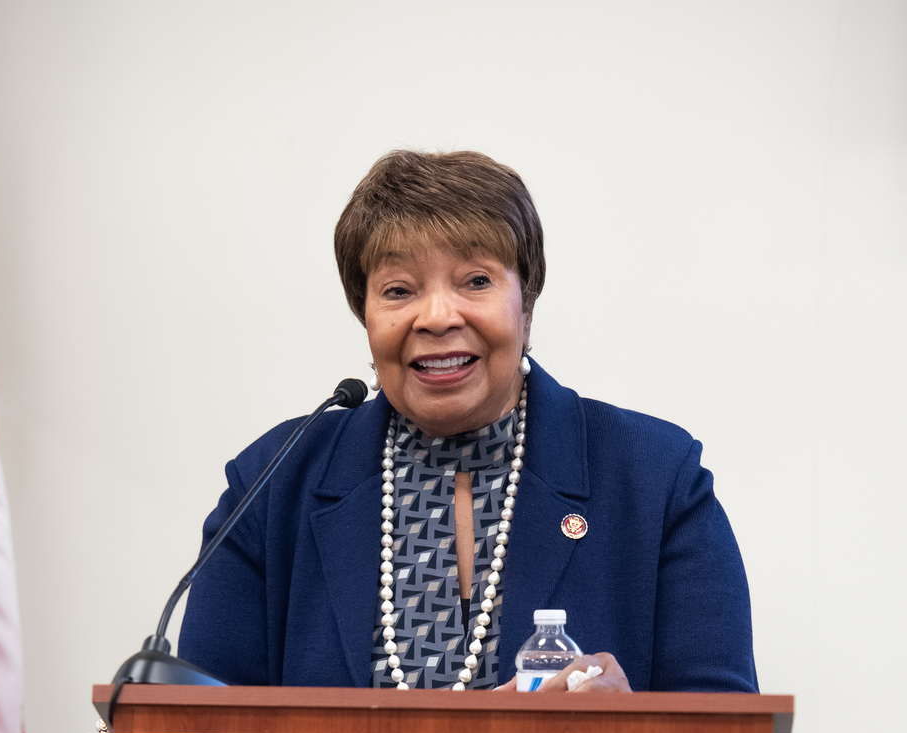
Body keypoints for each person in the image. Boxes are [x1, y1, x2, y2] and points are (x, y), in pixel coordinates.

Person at [178, 149, 757, 695]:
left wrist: (629, 732)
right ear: (367, 318)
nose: (435, 317)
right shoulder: (272, 485)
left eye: (476, 281)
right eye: (398, 290)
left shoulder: (657, 479)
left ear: (525, 307)